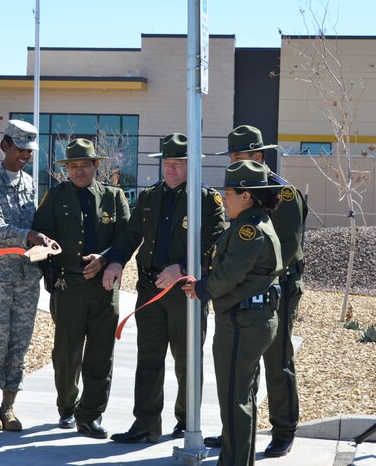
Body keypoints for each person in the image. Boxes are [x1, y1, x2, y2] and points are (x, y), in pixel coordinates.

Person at [102, 133, 225, 443]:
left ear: (191, 166)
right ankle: (146, 423)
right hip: (150, 288)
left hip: (186, 291)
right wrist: (116, 262)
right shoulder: (149, 197)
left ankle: (187, 422)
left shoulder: (207, 200)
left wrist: (183, 267)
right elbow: (131, 235)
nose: (171, 169)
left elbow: (215, 243)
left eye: (178, 163)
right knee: (148, 359)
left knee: (187, 361)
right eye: (167, 163)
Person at [204, 125, 307, 457]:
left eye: (241, 157)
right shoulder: (239, 196)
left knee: (277, 359)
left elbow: (287, 248)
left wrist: (236, 283)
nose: (234, 163)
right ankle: (237, 433)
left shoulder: (283, 193)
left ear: (259, 157)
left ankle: (283, 428)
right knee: (241, 366)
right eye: (232, 157)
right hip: (245, 286)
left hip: (276, 284)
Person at [183, 159, 284, 466]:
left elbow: (229, 275)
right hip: (249, 318)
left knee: (234, 399)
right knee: (242, 396)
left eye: (228, 192)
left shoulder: (249, 231)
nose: (223, 197)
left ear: (246, 196)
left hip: (243, 321)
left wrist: (200, 289)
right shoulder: (250, 224)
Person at [31, 138, 131, 439]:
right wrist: (50, 276)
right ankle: (67, 406)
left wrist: (107, 259)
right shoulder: (55, 196)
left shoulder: (114, 197)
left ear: (95, 166)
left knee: (101, 355)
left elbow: (127, 237)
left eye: (84, 165)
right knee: (66, 354)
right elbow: (39, 237)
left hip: (103, 287)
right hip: (68, 286)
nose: (78, 171)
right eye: (73, 166)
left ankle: (90, 415)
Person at [0, 119, 52, 432]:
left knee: (20, 342)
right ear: (5, 145)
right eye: (20, 149)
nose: (25, 156)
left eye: (29, 151)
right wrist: (28, 235)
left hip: (26, 276)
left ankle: (9, 405)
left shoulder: (30, 184)